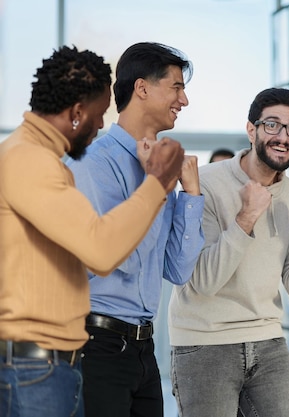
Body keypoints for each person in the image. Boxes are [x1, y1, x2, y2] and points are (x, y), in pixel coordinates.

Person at [0, 46, 185, 417]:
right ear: (76, 112)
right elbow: (100, 252)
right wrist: (157, 184)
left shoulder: (42, 160)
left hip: (53, 360)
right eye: (99, 115)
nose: (102, 125)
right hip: (36, 363)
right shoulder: (30, 161)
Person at [169, 87, 289, 417]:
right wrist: (246, 217)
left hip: (268, 339)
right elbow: (203, 281)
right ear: (251, 129)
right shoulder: (204, 184)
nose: (283, 137)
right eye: (272, 125)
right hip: (204, 341)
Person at [65, 42, 204, 417]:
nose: (184, 100)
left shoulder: (159, 166)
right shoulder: (93, 163)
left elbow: (177, 270)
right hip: (95, 346)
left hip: (144, 348)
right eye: (176, 87)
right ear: (142, 88)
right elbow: (110, 257)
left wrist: (191, 196)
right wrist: (154, 185)